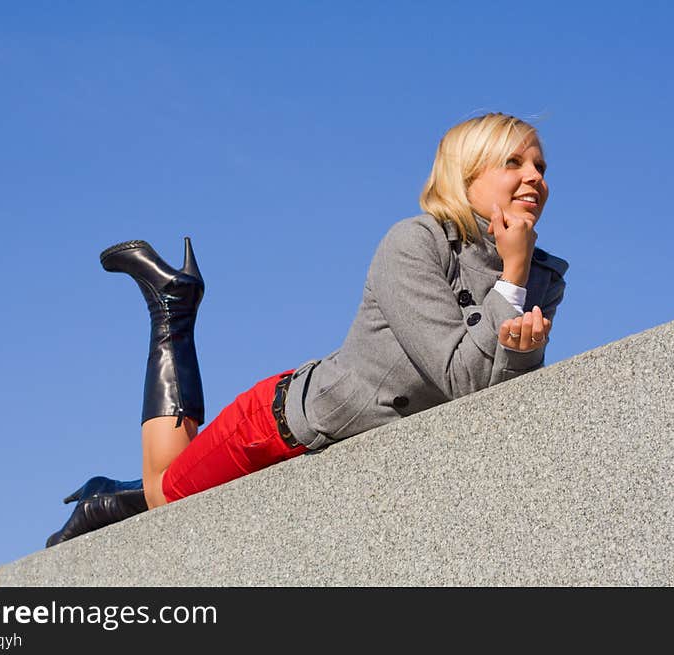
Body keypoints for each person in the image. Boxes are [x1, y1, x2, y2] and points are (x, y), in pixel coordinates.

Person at [46, 112, 568, 547]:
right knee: (165, 493)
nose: (535, 177)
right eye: (513, 162)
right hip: (279, 426)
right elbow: (463, 379)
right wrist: (512, 276)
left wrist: (520, 287)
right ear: (466, 174)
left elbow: (503, 401)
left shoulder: (545, 277)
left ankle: (108, 494)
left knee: (175, 486)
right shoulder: (414, 243)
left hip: (351, 444)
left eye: (541, 166)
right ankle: (170, 311)